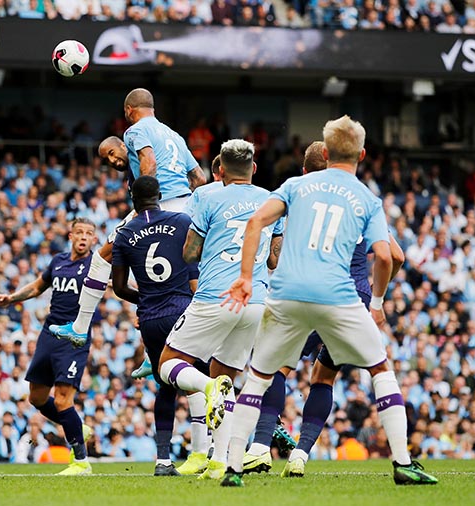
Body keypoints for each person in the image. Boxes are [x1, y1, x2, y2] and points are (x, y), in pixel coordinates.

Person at [219, 115, 437, 487]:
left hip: (287, 293)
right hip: (339, 295)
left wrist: (244, 277)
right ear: (362, 154)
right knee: (380, 370)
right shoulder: (367, 198)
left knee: (259, 376)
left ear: (323, 150)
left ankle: (235, 468)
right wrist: (379, 302)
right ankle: (402, 462)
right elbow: (386, 256)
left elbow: (255, 223)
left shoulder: (295, 186)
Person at [243, 141, 406, 477]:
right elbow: (395, 256)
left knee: (274, 369)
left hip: (307, 290)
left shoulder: (300, 194)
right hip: (353, 297)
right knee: (326, 377)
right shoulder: (358, 196)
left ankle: (259, 447)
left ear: (305, 171)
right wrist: (377, 297)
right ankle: (301, 454)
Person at [51, 88, 207, 369]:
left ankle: (79, 326)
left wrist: (146, 205)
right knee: (167, 281)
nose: (111, 161)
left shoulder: (134, 131)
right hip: (186, 209)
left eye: (111, 154)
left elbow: (149, 163)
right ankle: (156, 352)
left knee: (101, 257)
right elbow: (198, 177)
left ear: (129, 111)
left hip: (160, 205)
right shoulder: (174, 135)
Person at [157, 139, 283, 481]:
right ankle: (220, 462)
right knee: (223, 376)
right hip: (255, 302)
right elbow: (274, 258)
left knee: (168, 363)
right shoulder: (273, 200)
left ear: (221, 170)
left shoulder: (207, 195)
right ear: (254, 168)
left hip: (216, 297)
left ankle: (208, 390)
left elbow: (189, 253)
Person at [0, 218, 98, 475]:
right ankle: (76, 426)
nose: (84, 237)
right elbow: (39, 286)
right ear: (70, 236)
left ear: (94, 239)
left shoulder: (96, 266)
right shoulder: (58, 261)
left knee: (62, 400)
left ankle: (81, 461)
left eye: (89, 233)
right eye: (79, 232)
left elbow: (117, 284)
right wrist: (12, 298)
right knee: (36, 397)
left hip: (75, 338)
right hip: (49, 334)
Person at [110, 176, 203, 476]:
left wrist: (146, 298)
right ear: (160, 195)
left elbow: (120, 288)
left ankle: (163, 460)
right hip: (182, 311)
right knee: (198, 379)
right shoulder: (181, 220)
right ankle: (206, 452)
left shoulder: (124, 235)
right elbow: (195, 262)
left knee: (165, 387)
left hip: (150, 318)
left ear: (131, 197)